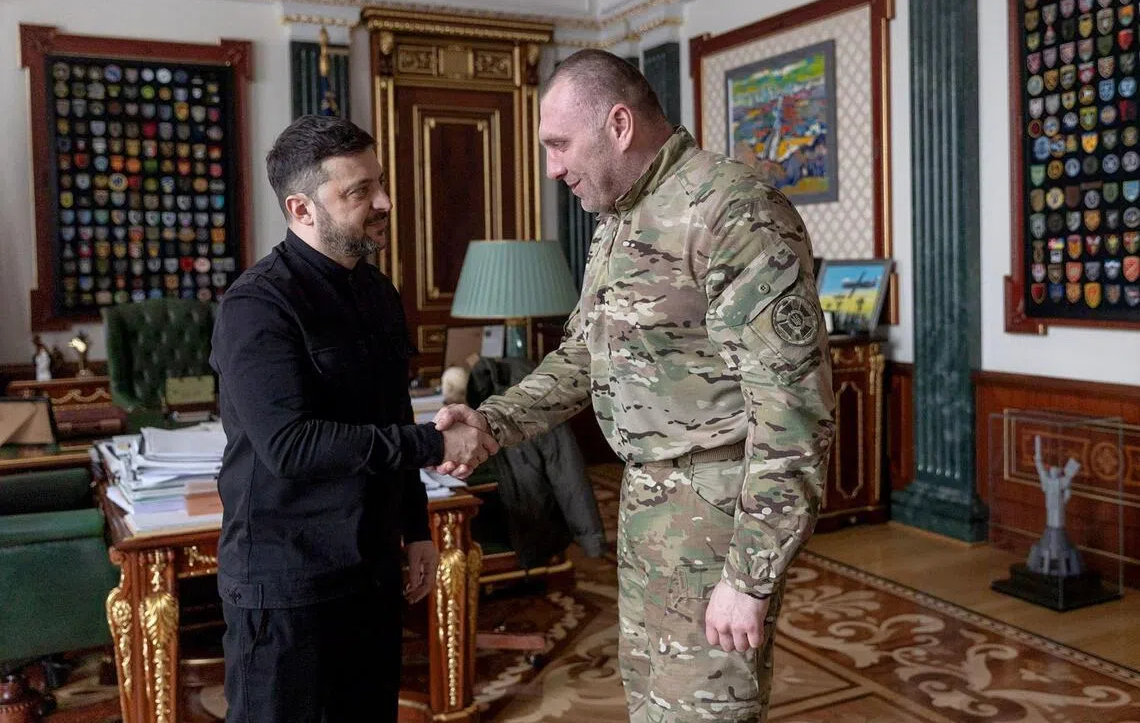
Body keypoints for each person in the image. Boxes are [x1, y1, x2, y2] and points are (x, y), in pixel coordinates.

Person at [435, 49, 835, 723]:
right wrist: (491, 422)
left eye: (559, 144)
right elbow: (582, 358)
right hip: (647, 508)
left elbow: (794, 413)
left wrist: (750, 576)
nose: (552, 167)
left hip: (716, 520)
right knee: (652, 705)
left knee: (706, 712)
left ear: (618, 124)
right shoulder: (620, 219)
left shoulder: (731, 211)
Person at [210, 114, 498, 723]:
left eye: (380, 183)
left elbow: (387, 413)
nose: (385, 202)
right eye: (359, 191)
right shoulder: (255, 306)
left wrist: (416, 528)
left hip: (369, 568)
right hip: (285, 581)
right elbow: (290, 446)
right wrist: (431, 442)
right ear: (301, 208)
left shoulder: (377, 292)